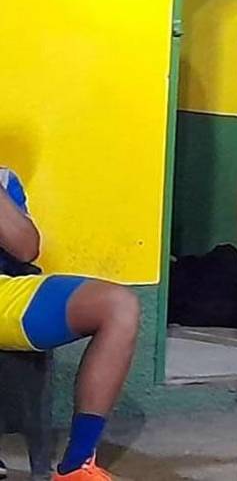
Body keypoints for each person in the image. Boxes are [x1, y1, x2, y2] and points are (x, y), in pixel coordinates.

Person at [0, 167, 140, 481]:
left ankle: (77, 466)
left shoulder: (5, 180)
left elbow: (25, 249)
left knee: (119, 306)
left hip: (5, 291)